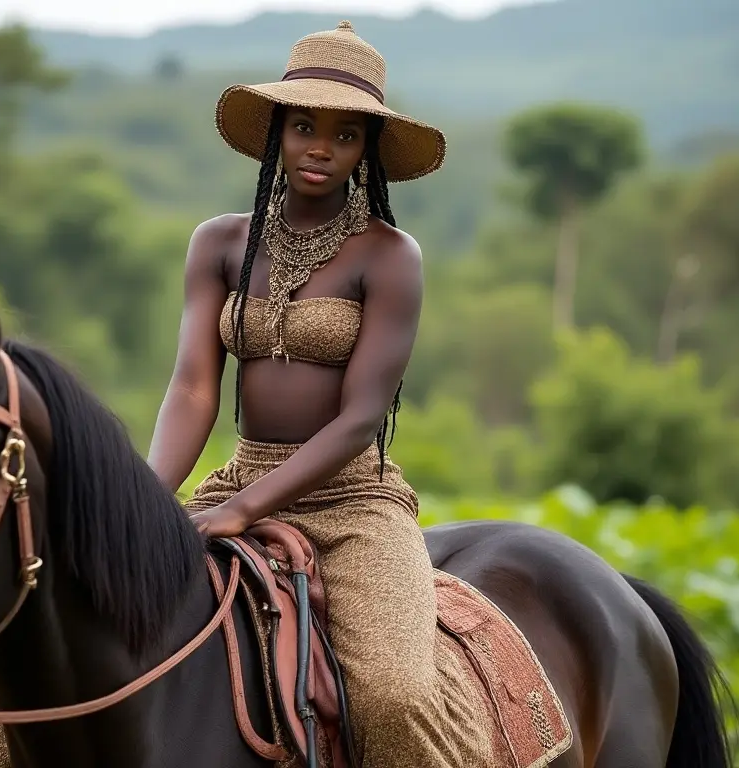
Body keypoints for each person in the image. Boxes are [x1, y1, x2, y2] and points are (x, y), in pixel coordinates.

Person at [148, 19, 496, 768]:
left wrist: (242, 514)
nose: (320, 148)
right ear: (276, 131)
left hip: (351, 502)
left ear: (365, 151)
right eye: (304, 126)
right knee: (97, 629)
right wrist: (148, 501)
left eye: (345, 136)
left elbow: (362, 416)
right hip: (237, 474)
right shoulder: (219, 242)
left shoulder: (390, 256)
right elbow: (193, 388)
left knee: (395, 697)